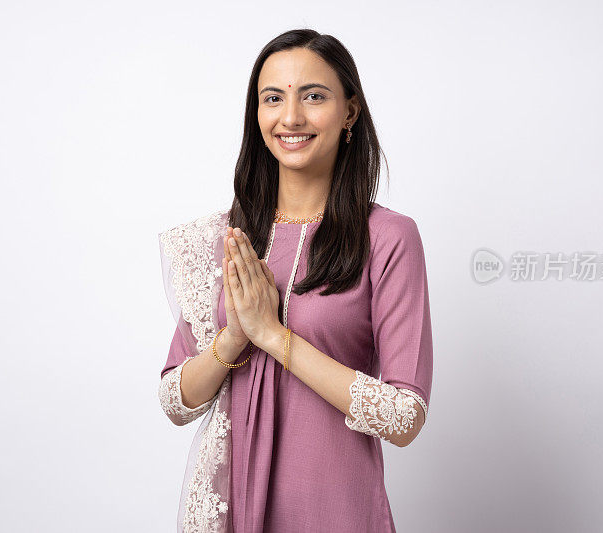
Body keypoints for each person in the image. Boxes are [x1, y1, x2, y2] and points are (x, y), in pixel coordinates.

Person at [157, 28, 433, 533]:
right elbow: (175, 400)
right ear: (256, 114)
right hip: (235, 510)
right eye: (273, 98)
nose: (291, 117)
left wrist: (273, 337)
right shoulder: (227, 239)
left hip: (337, 513)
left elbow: (403, 417)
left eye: (314, 96)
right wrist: (235, 338)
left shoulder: (389, 238)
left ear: (349, 112)